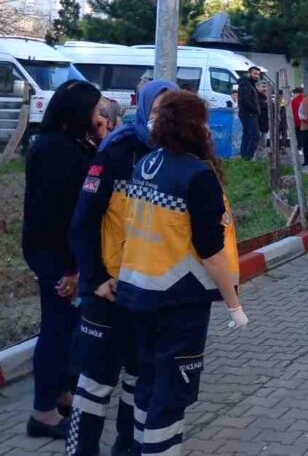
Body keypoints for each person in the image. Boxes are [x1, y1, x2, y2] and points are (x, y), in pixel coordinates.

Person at [115, 90, 247, 456]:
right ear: (196, 126)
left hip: (138, 293)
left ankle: (142, 448)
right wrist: (234, 303)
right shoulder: (196, 175)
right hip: (178, 301)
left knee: (148, 382)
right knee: (171, 394)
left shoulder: (145, 163)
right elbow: (210, 250)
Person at [67, 79, 177, 456]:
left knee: (137, 380)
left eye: (172, 110)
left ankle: (126, 451)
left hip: (146, 293)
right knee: (95, 383)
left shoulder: (179, 156)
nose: (164, 118)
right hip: (107, 290)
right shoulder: (115, 151)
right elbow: (83, 221)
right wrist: (94, 279)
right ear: (145, 108)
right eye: (159, 110)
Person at [22, 80, 106, 440]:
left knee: (68, 328)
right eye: (95, 110)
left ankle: (60, 395)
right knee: (57, 330)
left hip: (57, 251)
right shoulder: (58, 150)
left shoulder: (65, 143)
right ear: (78, 112)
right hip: (56, 254)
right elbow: (61, 215)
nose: (99, 116)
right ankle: (42, 413)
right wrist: (72, 269)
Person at [237, 66, 261, 160]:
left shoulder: (249, 84)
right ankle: (247, 157)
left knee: (247, 135)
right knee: (255, 136)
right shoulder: (246, 84)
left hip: (248, 114)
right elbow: (245, 101)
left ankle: (244, 157)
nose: (257, 76)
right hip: (248, 114)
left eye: (258, 74)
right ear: (249, 73)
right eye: (255, 73)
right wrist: (255, 110)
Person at [290, 86, 305, 159]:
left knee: (298, 135)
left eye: (294, 93)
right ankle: (301, 148)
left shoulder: (294, 101)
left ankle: (299, 148)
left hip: (296, 121)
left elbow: (291, 111)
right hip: (304, 121)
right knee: (303, 135)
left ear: (297, 93)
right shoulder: (305, 99)